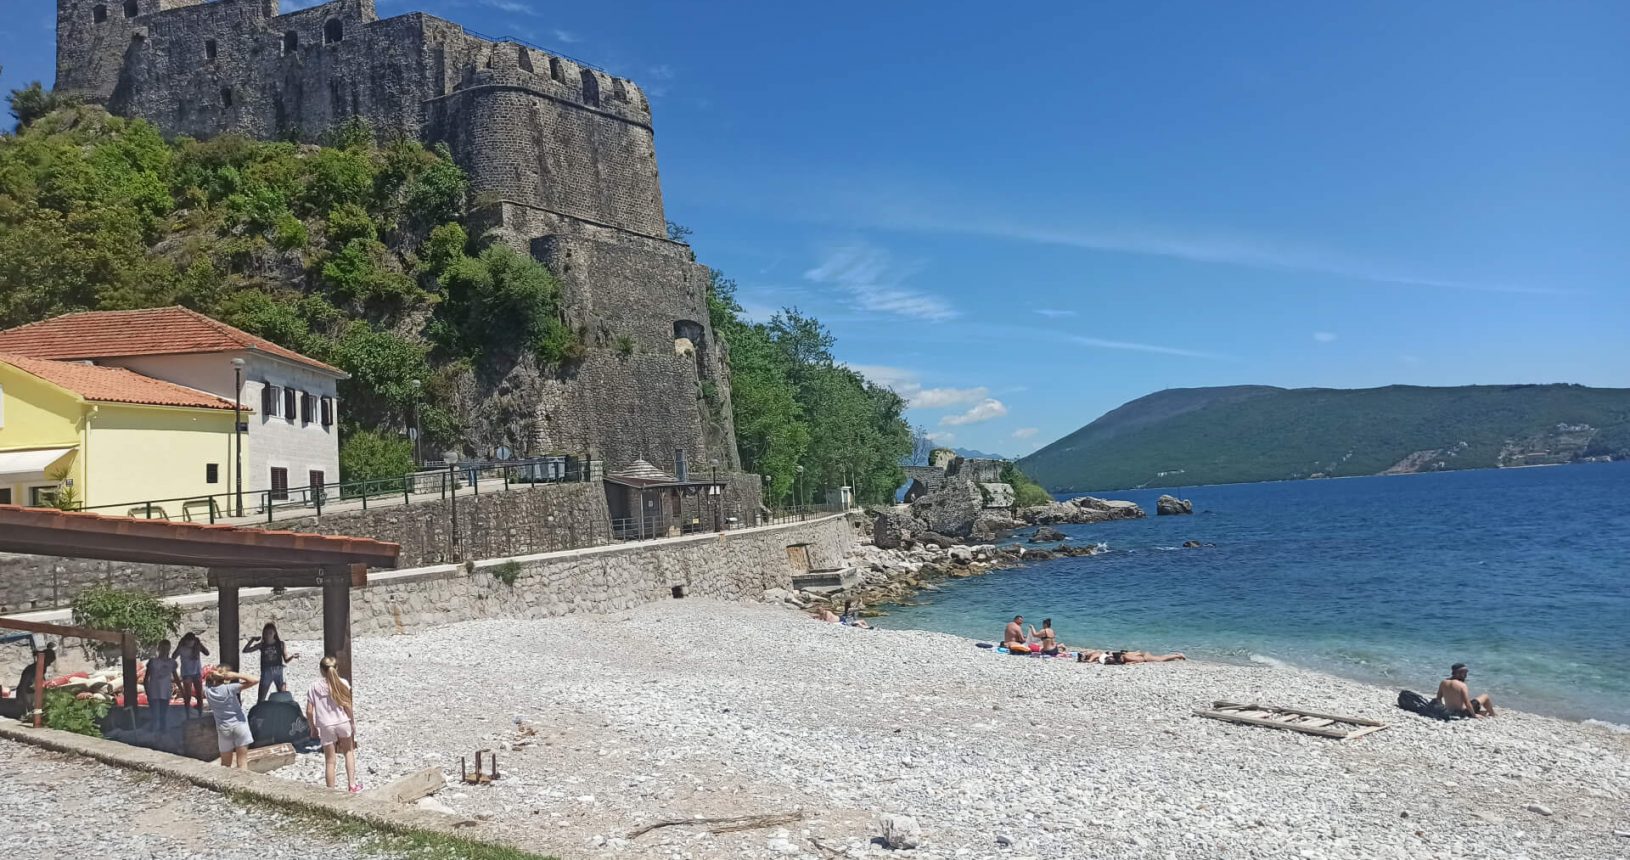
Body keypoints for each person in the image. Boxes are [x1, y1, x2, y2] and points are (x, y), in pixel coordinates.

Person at [306, 656, 360, 792]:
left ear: (321, 670)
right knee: (348, 752)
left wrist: (312, 727)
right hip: (342, 721)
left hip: (326, 725)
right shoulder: (343, 683)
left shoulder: (314, 687)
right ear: (337, 669)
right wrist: (352, 723)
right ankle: (352, 785)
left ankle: (331, 791)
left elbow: (309, 711)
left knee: (330, 760)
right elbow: (348, 705)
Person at [203, 666, 259, 768]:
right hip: (240, 725)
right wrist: (236, 675)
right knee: (242, 763)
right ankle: (242, 783)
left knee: (225, 765)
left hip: (223, 728)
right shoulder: (230, 688)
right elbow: (255, 680)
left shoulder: (207, 692)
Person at [243, 623, 298, 703]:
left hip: (278, 671)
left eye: (270, 633)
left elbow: (285, 660)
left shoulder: (280, 644)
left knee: (283, 697)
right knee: (261, 699)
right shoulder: (262, 645)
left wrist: (292, 656)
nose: (268, 635)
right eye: (266, 633)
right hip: (266, 673)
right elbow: (246, 650)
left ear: (274, 633)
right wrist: (252, 640)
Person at [145, 640, 180, 737]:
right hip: (154, 691)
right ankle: (151, 735)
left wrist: (182, 689)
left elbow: (176, 677)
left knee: (163, 715)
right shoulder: (153, 662)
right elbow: (146, 678)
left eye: (167, 649)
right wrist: (147, 691)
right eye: (163, 648)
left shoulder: (172, 663)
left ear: (169, 649)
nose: (165, 651)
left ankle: (162, 735)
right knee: (154, 715)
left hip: (165, 691)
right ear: (159, 649)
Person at [173, 632, 210, 718]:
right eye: (188, 641)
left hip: (196, 672)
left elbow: (207, 653)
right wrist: (178, 646)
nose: (190, 643)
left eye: (191, 641)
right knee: (188, 695)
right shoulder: (182, 648)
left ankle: (200, 714)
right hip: (187, 673)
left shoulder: (197, 647)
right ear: (185, 641)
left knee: (199, 694)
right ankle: (187, 715)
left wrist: (200, 645)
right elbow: (173, 656)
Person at [15, 646, 56, 710]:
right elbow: (23, 687)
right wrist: (28, 706)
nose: (49, 664)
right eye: (49, 662)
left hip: (31, 693)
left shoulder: (42, 669)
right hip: (25, 696)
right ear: (44, 660)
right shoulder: (32, 670)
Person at [1076, 648, 1186, 665]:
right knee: (1160, 658)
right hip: (1139, 655)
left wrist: (1089, 660)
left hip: (1143, 656)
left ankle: (1178, 655)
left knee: (1160, 658)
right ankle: (1176, 655)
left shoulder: (1124, 658)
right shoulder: (1101, 655)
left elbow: (1134, 661)